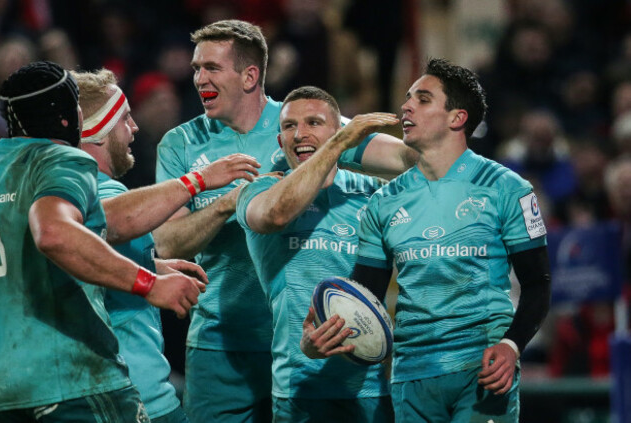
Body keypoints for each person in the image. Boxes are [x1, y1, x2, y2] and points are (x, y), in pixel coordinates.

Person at [154, 19, 416, 422]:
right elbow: (169, 244)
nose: (199, 78)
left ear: (250, 75)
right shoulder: (181, 143)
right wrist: (227, 204)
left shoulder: (301, 125)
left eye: (211, 67)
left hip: (302, 341)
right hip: (220, 342)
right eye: (195, 68)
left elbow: (404, 161)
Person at [309, 58, 552, 422]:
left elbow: (538, 284)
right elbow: (366, 298)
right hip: (411, 376)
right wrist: (324, 334)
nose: (406, 106)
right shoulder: (383, 202)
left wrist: (511, 345)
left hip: (483, 369)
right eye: (407, 98)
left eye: (422, 99)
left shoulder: (509, 189)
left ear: (457, 118)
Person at [0, 61, 204, 422]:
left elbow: (24, 252)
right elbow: (55, 233)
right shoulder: (62, 160)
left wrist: (150, 263)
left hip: (0, 389)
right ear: (70, 116)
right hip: (69, 379)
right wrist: (150, 284)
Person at [72, 68, 260, 423]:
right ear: (96, 129)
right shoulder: (96, 193)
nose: (135, 129)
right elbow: (107, 221)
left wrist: (151, 266)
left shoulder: (54, 195)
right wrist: (199, 181)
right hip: (130, 395)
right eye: (125, 119)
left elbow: (87, 257)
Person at [235, 86, 397, 422]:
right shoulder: (259, 191)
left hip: (371, 388)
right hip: (301, 385)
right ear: (280, 142)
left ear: (338, 129)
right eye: (289, 126)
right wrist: (338, 143)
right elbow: (276, 214)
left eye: (313, 122)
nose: (300, 134)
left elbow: (425, 164)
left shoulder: (375, 194)